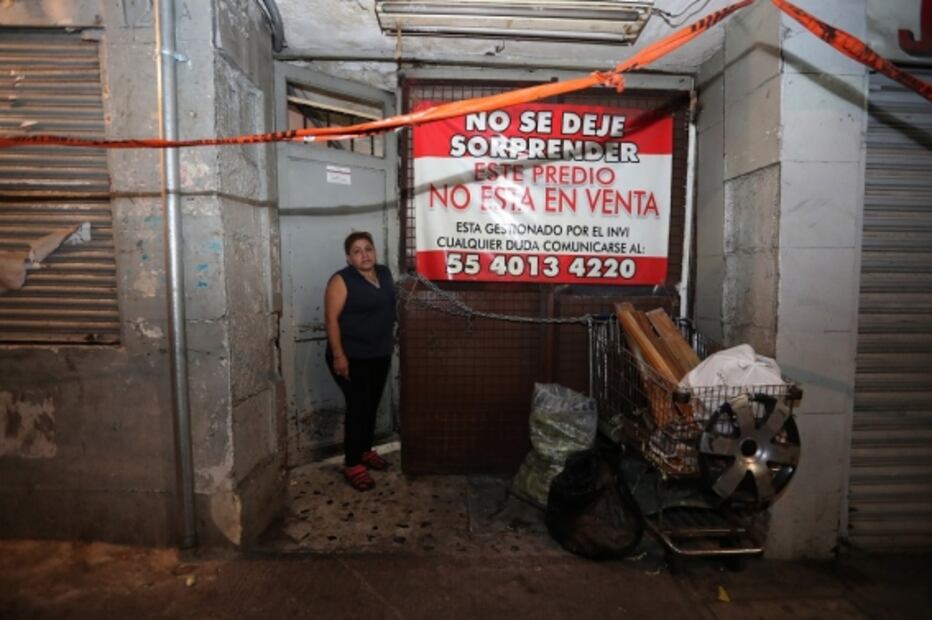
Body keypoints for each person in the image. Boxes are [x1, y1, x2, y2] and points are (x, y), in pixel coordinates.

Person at [324, 231, 396, 491]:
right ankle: (353, 463)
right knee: (358, 407)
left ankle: (365, 450)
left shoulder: (384, 273)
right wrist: (339, 356)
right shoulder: (341, 280)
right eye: (357, 251)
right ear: (348, 258)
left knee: (371, 405)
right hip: (351, 356)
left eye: (368, 248)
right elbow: (331, 320)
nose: (364, 254)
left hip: (379, 354)